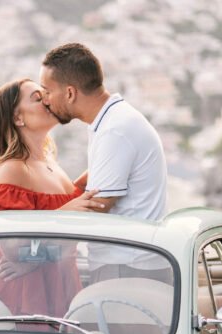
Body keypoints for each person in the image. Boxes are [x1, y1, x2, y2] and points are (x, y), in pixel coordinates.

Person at [39, 42, 173, 285]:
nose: (45, 100)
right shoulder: (111, 121)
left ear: (70, 93)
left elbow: (96, 206)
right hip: (131, 262)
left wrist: (31, 241)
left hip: (128, 267)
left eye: (47, 91)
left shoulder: (114, 129)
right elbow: (89, 185)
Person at [0, 78, 105, 317]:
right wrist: (64, 215)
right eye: (37, 98)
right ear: (18, 118)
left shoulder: (50, 165)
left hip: (60, 282)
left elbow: (64, 237)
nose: (48, 100)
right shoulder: (12, 169)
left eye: (46, 94)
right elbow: (12, 250)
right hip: (22, 292)